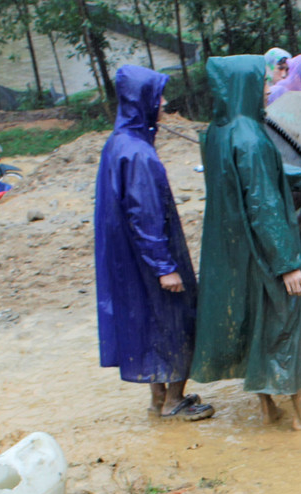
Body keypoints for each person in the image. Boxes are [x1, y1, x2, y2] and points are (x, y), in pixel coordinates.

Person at [190, 55, 301, 430]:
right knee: (284, 324)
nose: (266, 88)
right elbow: (264, 204)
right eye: (260, 82)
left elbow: (267, 171)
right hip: (265, 252)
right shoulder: (252, 137)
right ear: (244, 85)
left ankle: (266, 407)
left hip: (235, 250)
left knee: (255, 324)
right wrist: (288, 263)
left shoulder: (218, 132)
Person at [93, 65, 212, 422]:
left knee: (149, 321)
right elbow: (145, 214)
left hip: (130, 258)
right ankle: (175, 399)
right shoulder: (140, 155)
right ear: (141, 100)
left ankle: (158, 400)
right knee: (176, 319)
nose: (163, 102)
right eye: (157, 96)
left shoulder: (119, 143)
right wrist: (165, 267)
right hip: (152, 255)